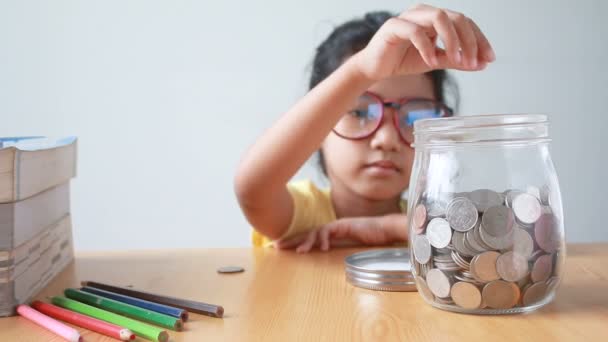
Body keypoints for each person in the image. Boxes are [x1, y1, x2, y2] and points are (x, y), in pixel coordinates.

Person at [234, 4, 495, 253]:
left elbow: (499, 238)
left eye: (414, 117)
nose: (386, 139)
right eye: (359, 111)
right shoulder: (304, 215)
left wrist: (389, 228)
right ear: (319, 125)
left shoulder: (435, 221)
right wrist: (360, 71)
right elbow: (252, 189)